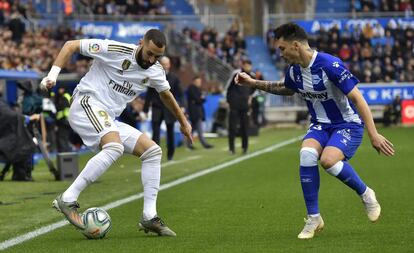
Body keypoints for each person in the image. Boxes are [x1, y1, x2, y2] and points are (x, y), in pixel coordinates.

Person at [235, 23, 394, 239]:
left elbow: (357, 98)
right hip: (319, 125)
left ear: (296, 45)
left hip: (347, 124)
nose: (279, 53)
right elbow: (286, 88)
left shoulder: (329, 64)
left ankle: (366, 194)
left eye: (282, 48)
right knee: (306, 154)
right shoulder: (294, 70)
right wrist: (253, 82)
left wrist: (373, 134)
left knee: (328, 161)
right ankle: (314, 218)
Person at [40, 29, 192, 237]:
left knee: (153, 151)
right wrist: (52, 76)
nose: (152, 59)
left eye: (157, 56)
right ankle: (67, 199)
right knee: (115, 146)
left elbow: (166, 95)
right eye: (149, 53)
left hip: (108, 117)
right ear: (141, 43)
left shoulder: (155, 70)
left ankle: (149, 216)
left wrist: (184, 122)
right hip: (86, 102)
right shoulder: (115, 49)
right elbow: (70, 45)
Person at [143, 56, 184, 160]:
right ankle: (155, 155)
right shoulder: (154, 76)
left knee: (170, 133)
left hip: (169, 109)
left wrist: (182, 106)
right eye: (163, 64)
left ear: (169, 65)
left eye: (167, 64)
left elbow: (180, 94)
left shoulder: (175, 78)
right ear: (160, 65)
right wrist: (146, 109)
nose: (165, 66)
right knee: (155, 133)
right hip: (157, 108)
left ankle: (170, 154)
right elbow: (149, 94)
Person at [226, 59, 255, 154]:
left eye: (249, 65)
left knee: (245, 127)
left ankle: (245, 148)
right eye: (246, 65)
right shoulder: (236, 74)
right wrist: (229, 101)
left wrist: (251, 97)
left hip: (245, 105)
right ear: (242, 65)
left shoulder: (252, 76)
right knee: (232, 127)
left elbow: (256, 89)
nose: (247, 67)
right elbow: (228, 88)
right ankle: (231, 148)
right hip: (234, 104)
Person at [186, 76, 213, 149]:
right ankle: (204, 144)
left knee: (193, 129)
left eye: (200, 82)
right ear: (194, 81)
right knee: (199, 129)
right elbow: (198, 99)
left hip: (197, 112)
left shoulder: (197, 89)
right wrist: (201, 98)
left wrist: (201, 99)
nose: (199, 83)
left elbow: (201, 100)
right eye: (198, 82)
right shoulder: (191, 88)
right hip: (195, 112)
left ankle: (189, 144)